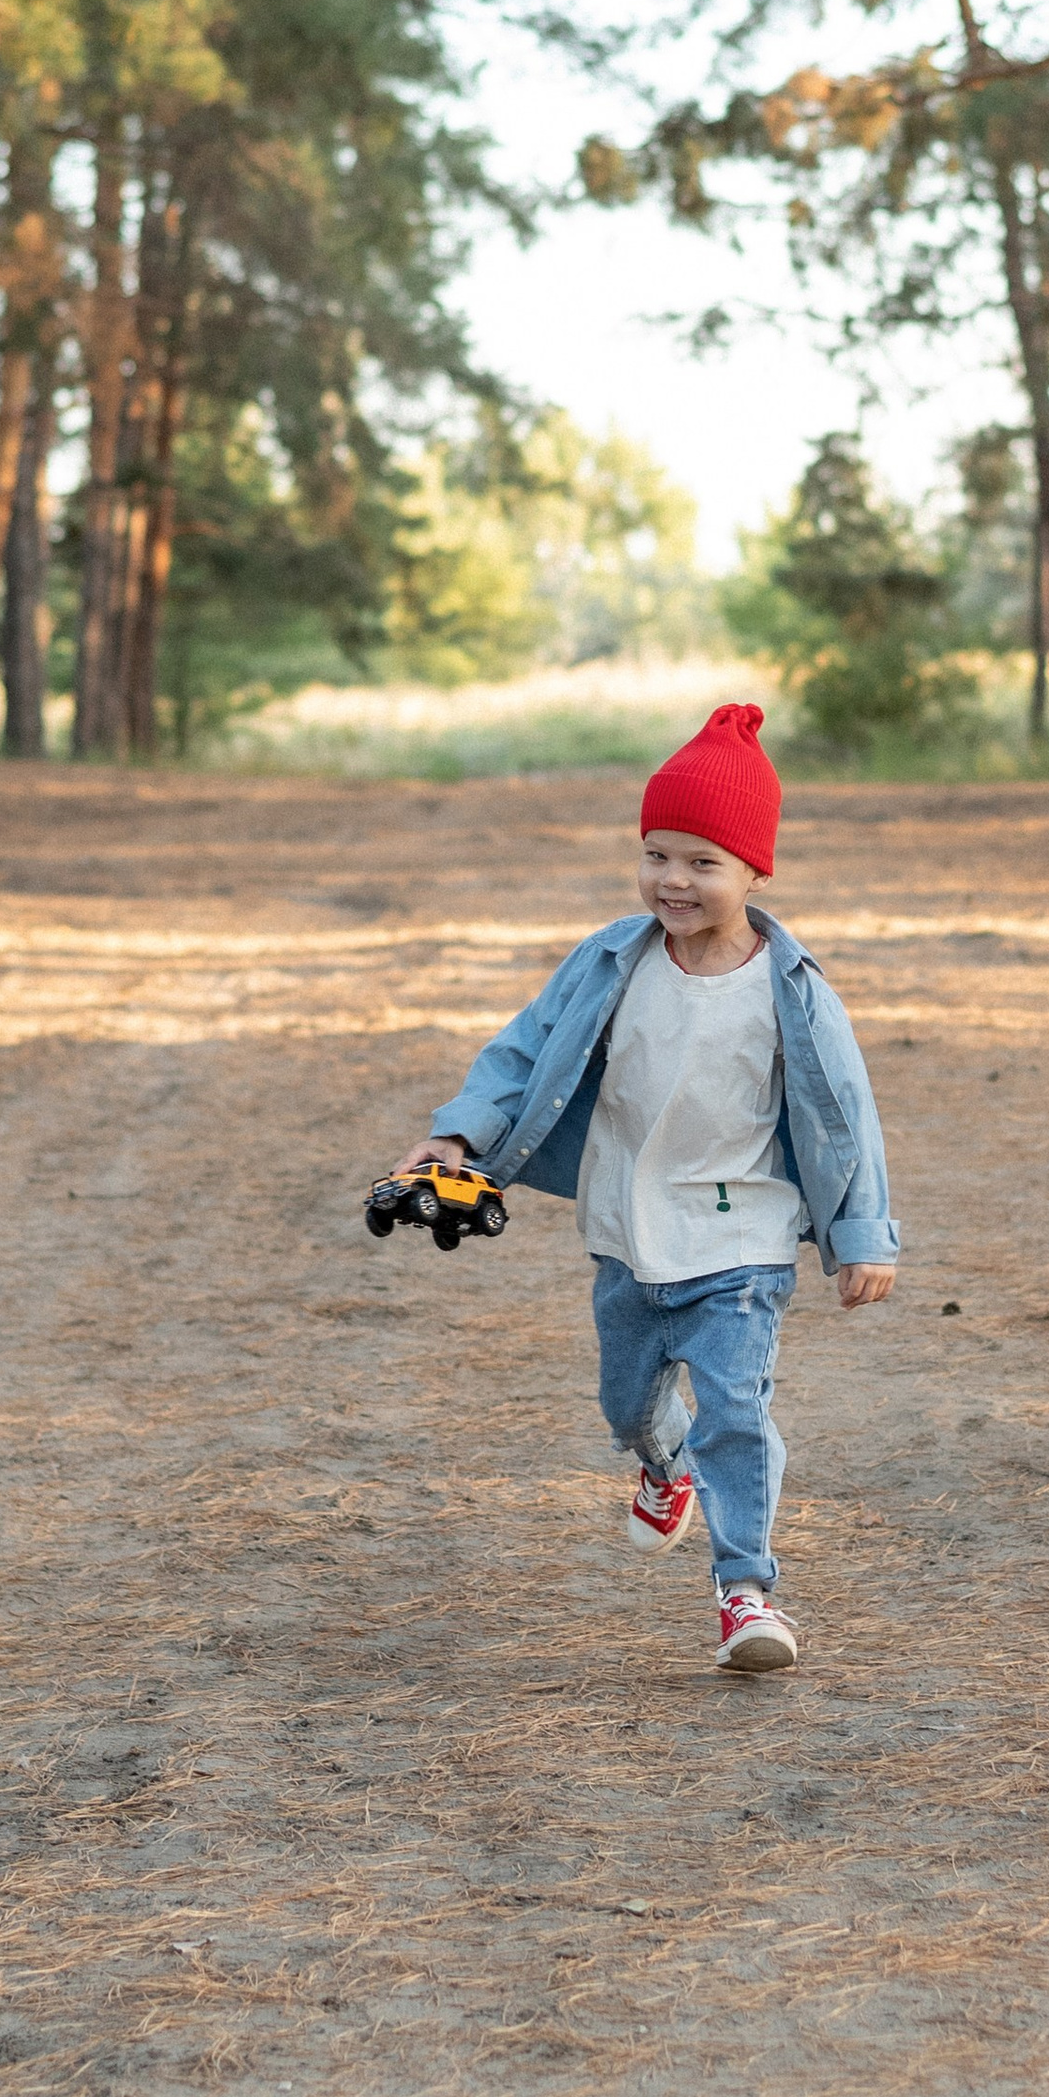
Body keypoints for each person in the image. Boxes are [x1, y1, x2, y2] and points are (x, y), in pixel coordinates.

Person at [404, 703, 895, 1672]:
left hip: (743, 1234)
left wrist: (862, 1232)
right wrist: (456, 1133)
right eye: (656, 853)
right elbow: (522, 1052)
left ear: (754, 869)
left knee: (738, 1410)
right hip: (628, 1229)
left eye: (702, 860)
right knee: (626, 1403)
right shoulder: (610, 960)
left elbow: (846, 1111)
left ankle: (745, 1592)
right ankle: (658, 1460)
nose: (673, 878)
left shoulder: (791, 987)